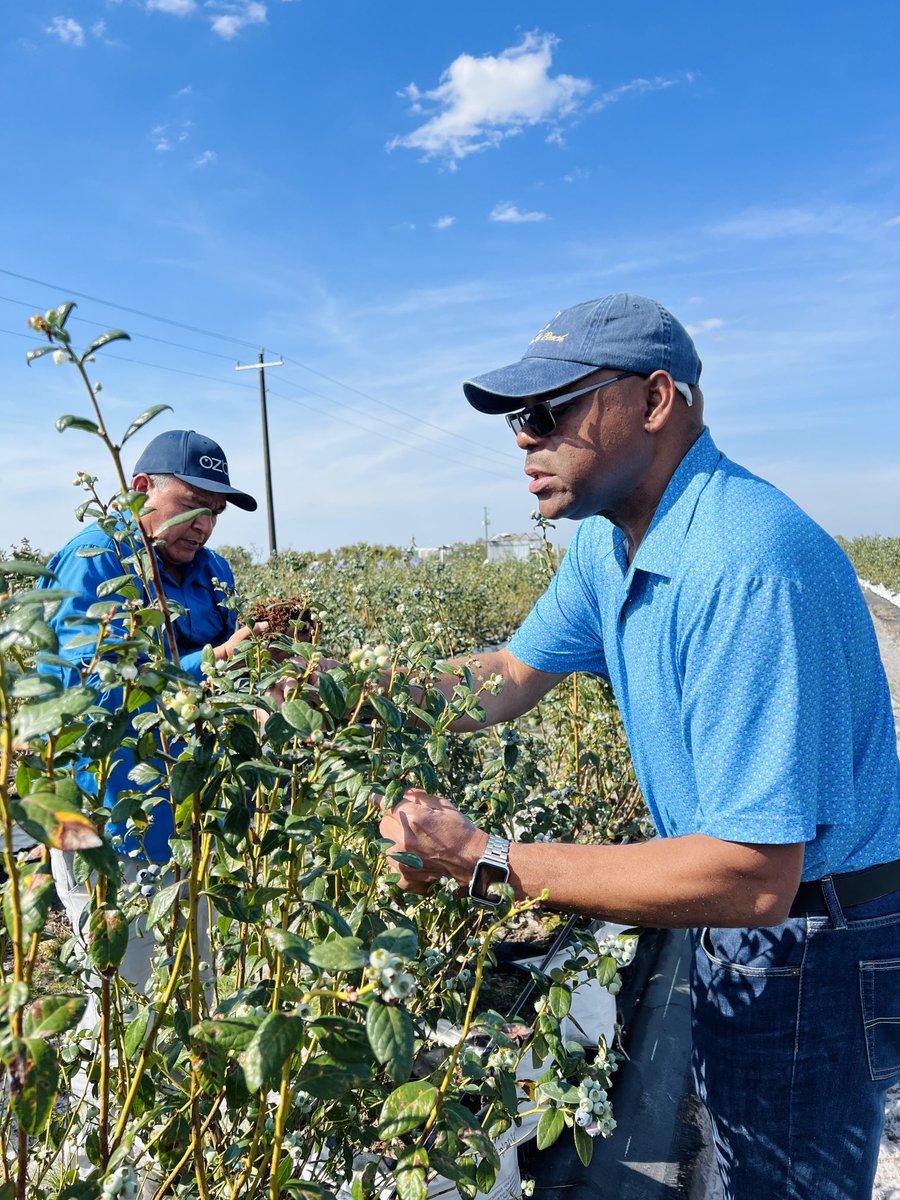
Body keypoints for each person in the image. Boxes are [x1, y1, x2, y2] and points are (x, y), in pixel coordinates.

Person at [378, 293, 900, 1200]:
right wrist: (343, 694)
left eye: (547, 412)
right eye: (515, 419)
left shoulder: (747, 566)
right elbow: (506, 673)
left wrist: (487, 862)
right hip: (751, 923)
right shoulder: (613, 543)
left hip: (813, 942)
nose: (523, 440)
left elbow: (752, 875)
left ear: (655, 401)